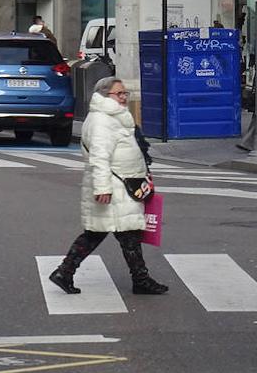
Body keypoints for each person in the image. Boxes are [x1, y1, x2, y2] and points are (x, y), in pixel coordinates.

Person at [48, 77, 168, 297]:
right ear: (105, 95)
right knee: (107, 233)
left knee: (120, 234)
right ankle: (66, 272)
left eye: (125, 93)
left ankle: (66, 273)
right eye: (119, 94)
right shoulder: (103, 121)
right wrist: (102, 188)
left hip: (123, 185)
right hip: (114, 187)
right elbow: (99, 157)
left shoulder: (114, 117)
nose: (124, 97)